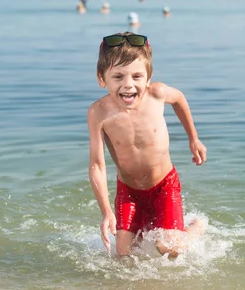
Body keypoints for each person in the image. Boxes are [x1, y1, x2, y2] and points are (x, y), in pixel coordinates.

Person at [87, 32, 207, 258]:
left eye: (137, 76)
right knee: (123, 255)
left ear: (148, 78)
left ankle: (194, 229)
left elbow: (179, 98)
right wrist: (106, 212)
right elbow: (97, 165)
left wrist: (194, 138)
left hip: (164, 186)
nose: (128, 85)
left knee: (168, 249)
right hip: (129, 192)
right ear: (101, 78)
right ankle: (144, 228)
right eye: (118, 77)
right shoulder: (98, 113)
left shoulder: (156, 94)